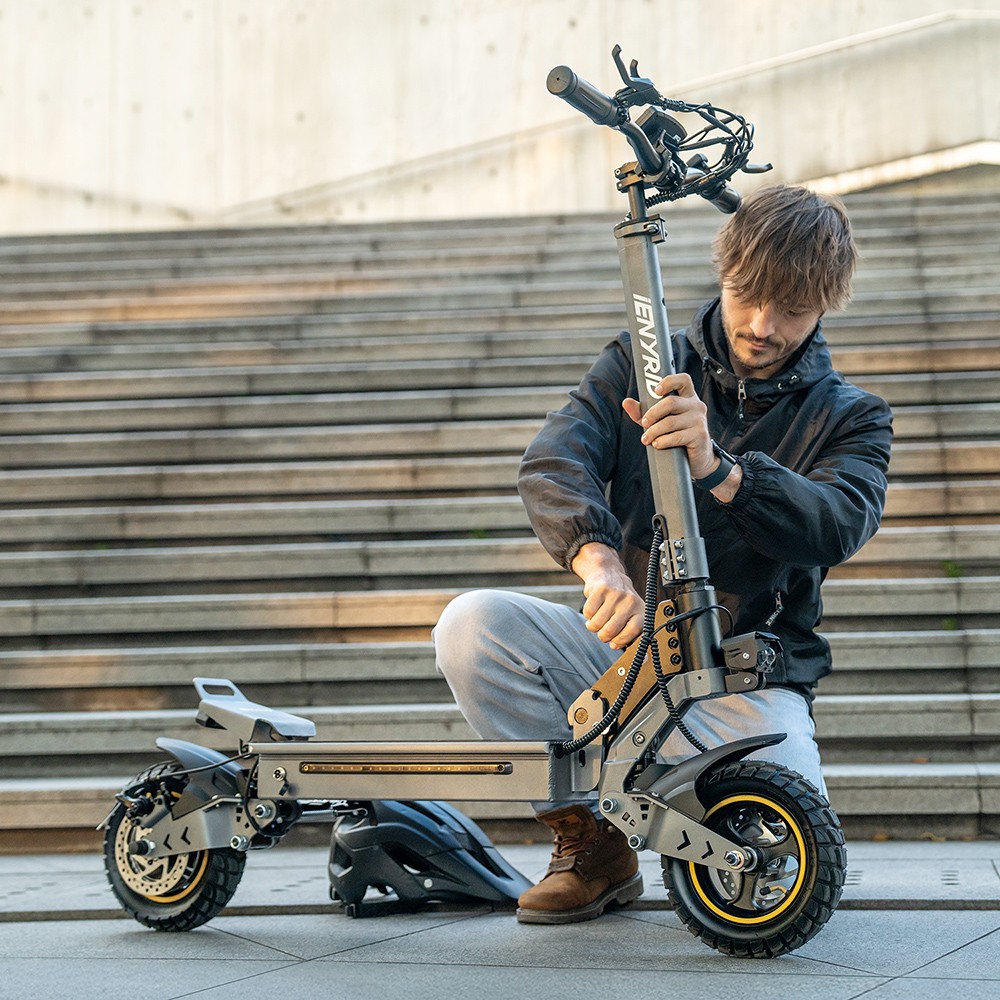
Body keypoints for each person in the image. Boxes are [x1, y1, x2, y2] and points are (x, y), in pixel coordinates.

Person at [434, 184, 893, 925]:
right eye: (749, 295)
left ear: (826, 306)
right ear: (723, 270)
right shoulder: (640, 363)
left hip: (743, 677)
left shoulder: (852, 417)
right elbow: (554, 460)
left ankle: (694, 819)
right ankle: (593, 845)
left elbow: (839, 522)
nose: (764, 325)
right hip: (626, 655)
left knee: (784, 865)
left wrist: (723, 470)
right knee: (472, 625)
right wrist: (596, 559)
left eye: (793, 308)